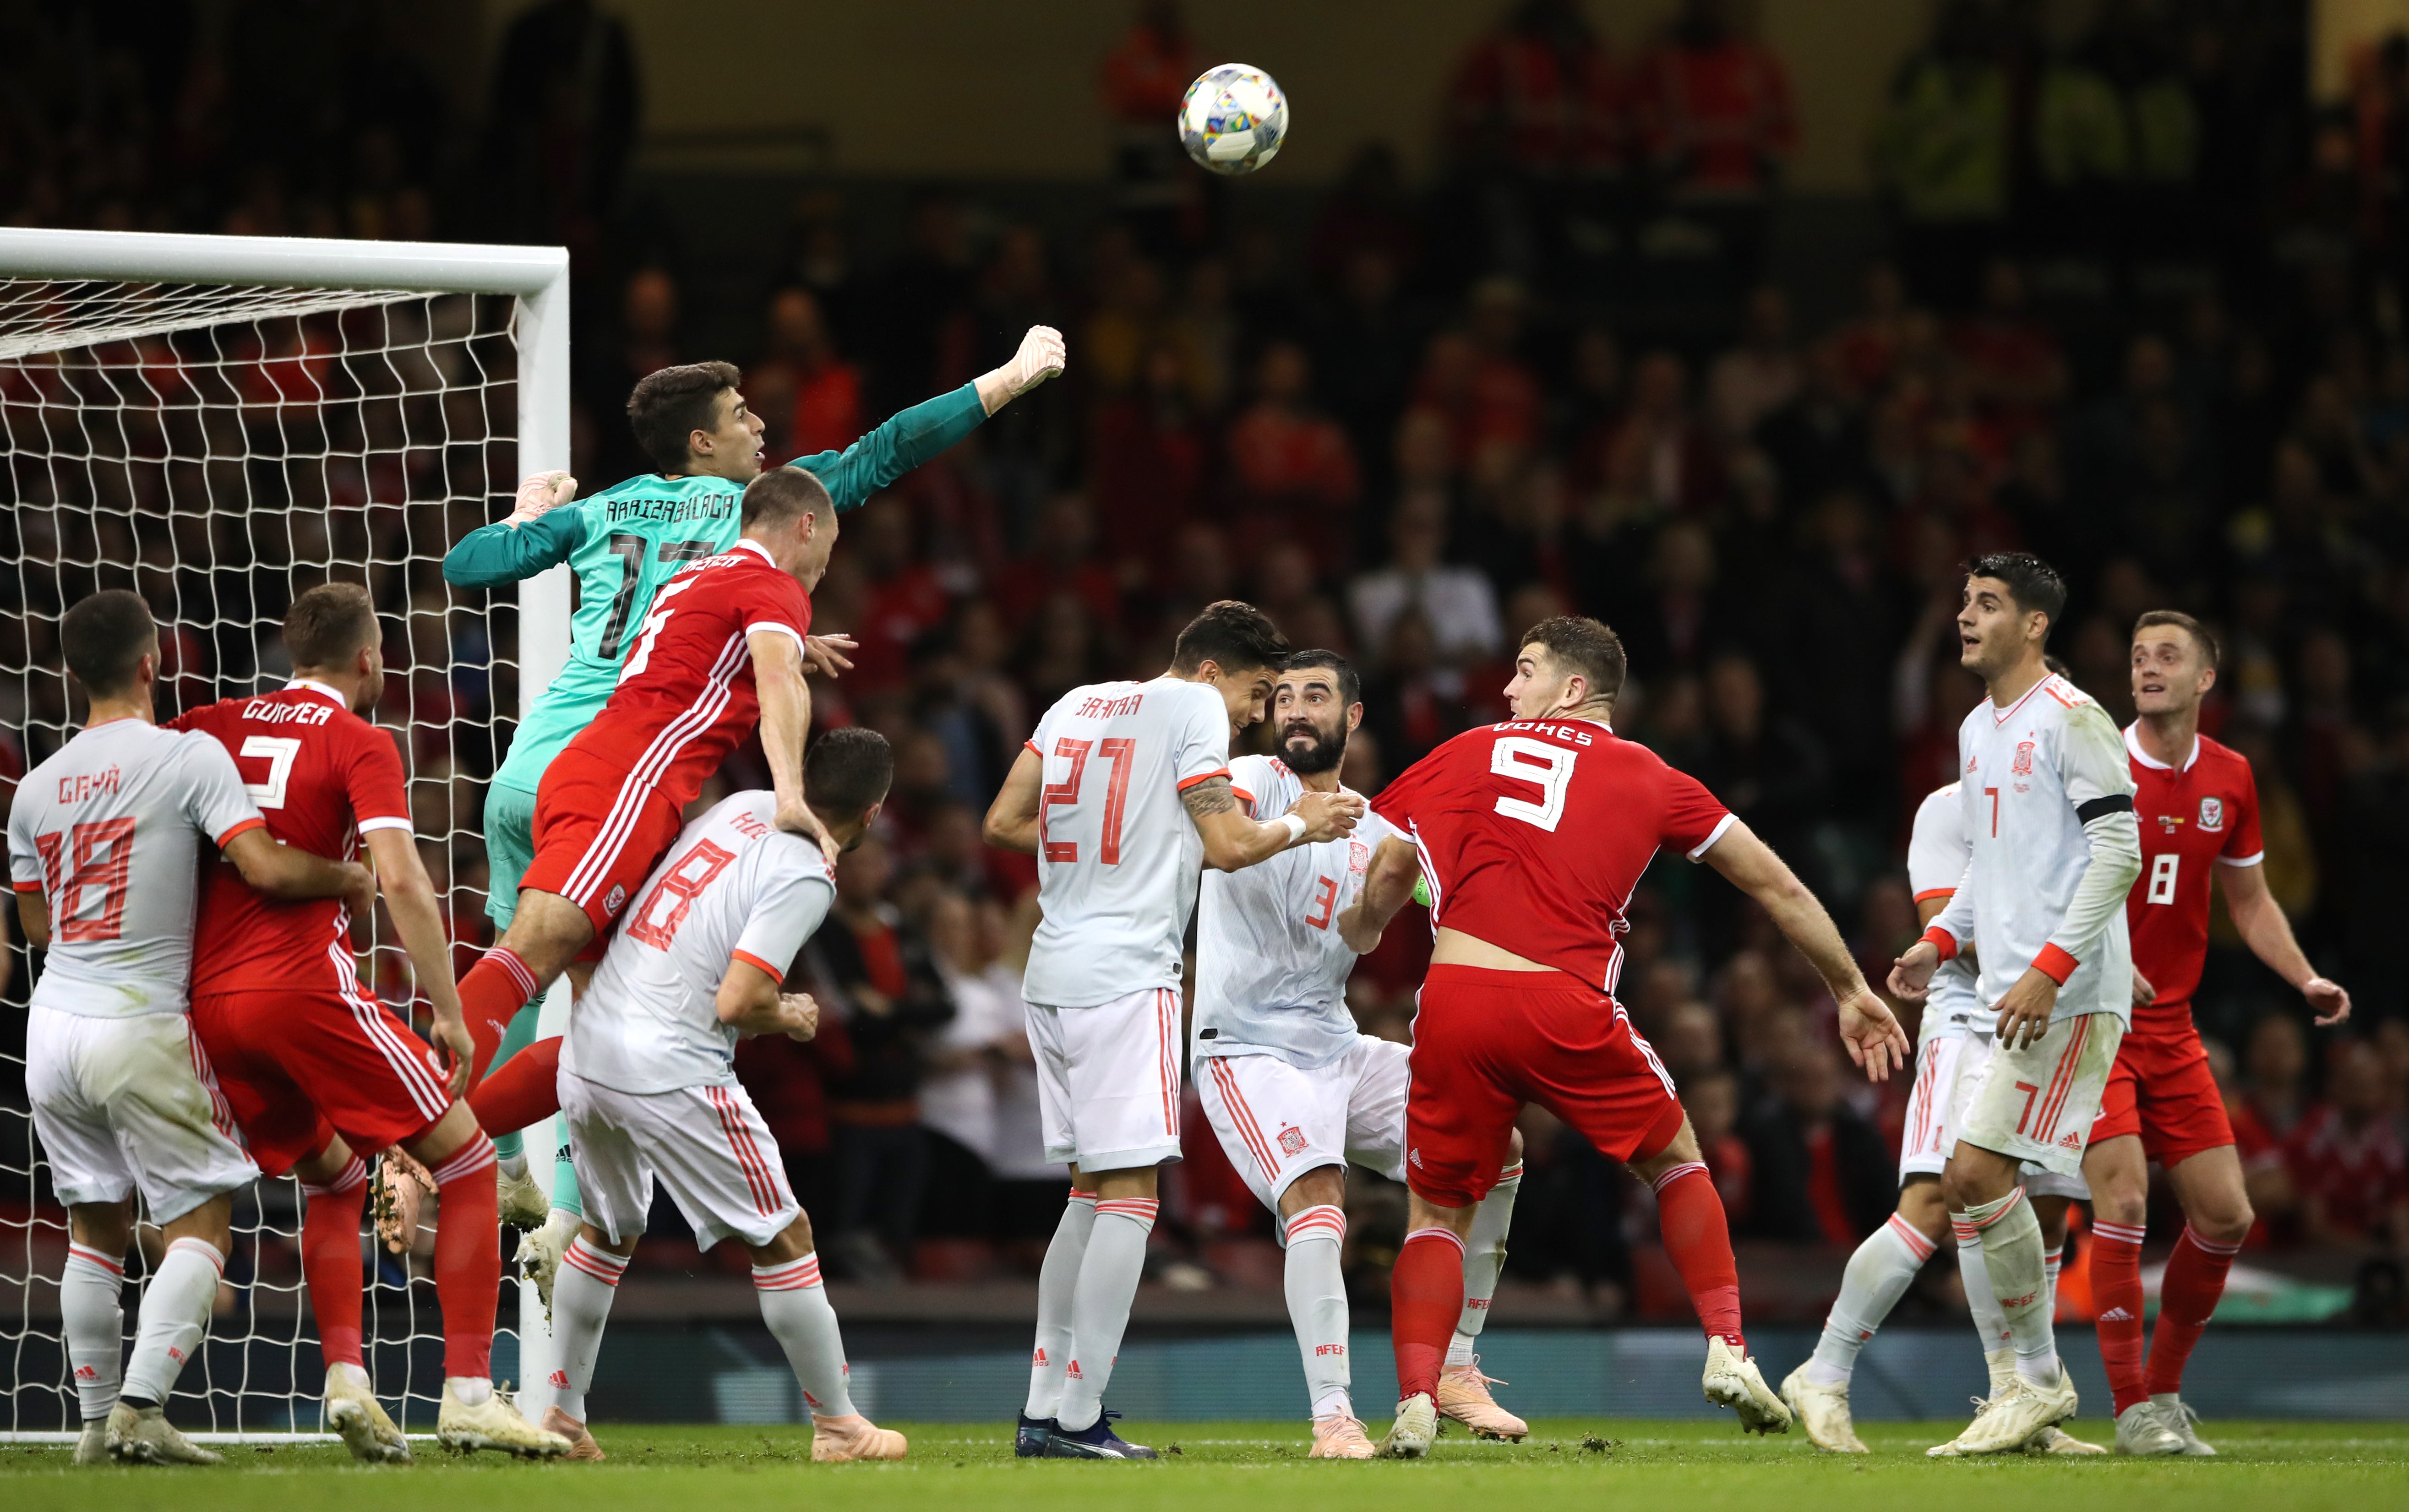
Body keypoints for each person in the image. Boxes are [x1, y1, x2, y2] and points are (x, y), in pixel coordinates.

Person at [442, 329, 1066, 1256]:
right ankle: (514, 1183)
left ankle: (485, 1156)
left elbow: (468, 567)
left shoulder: (606, 507)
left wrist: (526, 515)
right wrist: (1006, 382)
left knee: (523, 971)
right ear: (702, 443)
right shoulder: (756, 510)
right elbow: (880, 451)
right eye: (740, 416)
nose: (759, 426)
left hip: (528, 768)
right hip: (621, 766)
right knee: (601, 1008)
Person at [1341, 616, 1911, 1457]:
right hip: (1563, 1000)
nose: (1507, 688)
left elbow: (1389, 867)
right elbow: (1780, 887)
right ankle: (1726, 1344)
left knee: (1437, 1210)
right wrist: (1851, 988)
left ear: (1572, 689)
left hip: (1458, 997)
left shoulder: (1470, 748)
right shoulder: (1653, 775)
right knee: (1676, 1159)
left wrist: (1361, 929)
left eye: (1525, 671)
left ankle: (1418, 1399)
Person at [171, 583, 566, 1459]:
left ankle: (347, 1380)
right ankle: (467, 1391)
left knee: (337, 1180)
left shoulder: (209, 722)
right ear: (366, 657)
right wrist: (449, 1010)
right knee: (465, 1161)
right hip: (303, 989)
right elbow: (402, 876)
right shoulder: (361, 739)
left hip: (210, 1007)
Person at [982, 601, 1364, 1459]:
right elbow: (1229, 845)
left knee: (1088, 1192)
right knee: (1132, 1199)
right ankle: (1078, 1421)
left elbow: (1004, 823)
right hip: (1128, 976)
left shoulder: (1074, 703)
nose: (1255, 717)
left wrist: (1111, 847)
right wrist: (1307, 820)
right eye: (1259, 692)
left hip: (1051, 971)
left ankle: (1045, 1407)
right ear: (1211, 672)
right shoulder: (1192, 707)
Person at [8, 591, 371, 1466]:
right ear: (151, 663)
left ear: (69, 672)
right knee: (204, 1226)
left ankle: (94, 1428)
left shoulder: (33, 787)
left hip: (52, 1027)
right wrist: (350, 878)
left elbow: (36, 928)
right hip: (140, 1021)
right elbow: (267, 869)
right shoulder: (186, 755)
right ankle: (142, 1405)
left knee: (94, 1229)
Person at [450, 464, 846, 1262]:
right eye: (827, 552)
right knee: (525, 958)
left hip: (581, 766)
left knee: (601, 1021)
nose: (823, 570)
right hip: (624, 788)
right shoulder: (772, 582)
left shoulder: (705, 575)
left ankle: (527, 1195)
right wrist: (792, 792)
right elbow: (773, 680)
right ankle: (422, 1115)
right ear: (804, 527)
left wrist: (791, 642)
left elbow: (707, 659)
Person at [1192, 651, 1527, 1458]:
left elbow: (1373, 928)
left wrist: (1409, 880)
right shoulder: (1246, 779)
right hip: (1246, 1046)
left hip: (1333, 1043)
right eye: (1284, 697)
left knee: (1496, 1145)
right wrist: (1305, 823)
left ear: (1354, 718)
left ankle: (1454, 1367)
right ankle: (1334, 1417)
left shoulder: (1378, 828)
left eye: (1317, 696)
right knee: (1318, 1193)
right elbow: (1220, 846)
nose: (1297, 709)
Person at [547, 730, 907, 1463]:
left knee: (607, 1232)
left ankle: (561, 1418)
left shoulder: (741, 805)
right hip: (669, 1062)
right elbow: (742, 999)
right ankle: (840, 1428)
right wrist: (794, 1013)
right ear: (871, 815)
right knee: (784, 1234)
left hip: (589, 1047)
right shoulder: (808, 869)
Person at [1891, 552, 2144, 1456]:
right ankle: (2027, 1397)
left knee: (1969, 1178)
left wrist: (2044, 967)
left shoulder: (2074, 722)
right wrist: (1938, 941)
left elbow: (2118, 854)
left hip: (2068, 992)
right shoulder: (1973, 729)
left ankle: (2030, 1384)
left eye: (1987, 604)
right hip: (2011, 992)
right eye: (1963, 601)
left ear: (2034, 625)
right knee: (2000, 1196)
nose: (1966, 617)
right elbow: (1994, 868)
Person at [2088, 610, 2354, 1454]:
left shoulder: (2233, 777)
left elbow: (2248, 900)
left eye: (2168, 656)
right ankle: (2129, 1404)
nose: (2147, 668)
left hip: (2171, 1026)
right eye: (2137, 657)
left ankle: (2164, 1395)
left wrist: (2304, 975)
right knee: (2125, 1199)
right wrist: (2099, 955)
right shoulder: (2096, 761)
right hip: (2091, 1020)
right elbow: (2050, 884)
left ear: (2208, 678)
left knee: (2228, 1215)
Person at [1782, 778, 2098, 1456]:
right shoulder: (1951, 805)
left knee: (2039, 1210)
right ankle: (1825, 1370)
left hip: (2050, 1023)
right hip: (1970, 1022)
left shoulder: (2073, 809)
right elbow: (1946, 923)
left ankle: (2022, 1404)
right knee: (1934, 1200)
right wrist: (2071, 951)